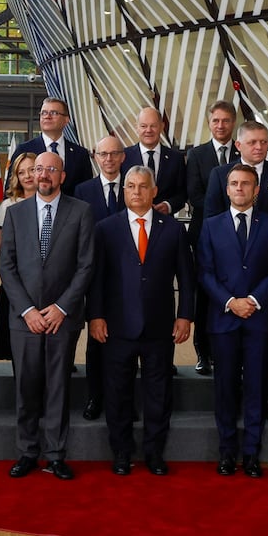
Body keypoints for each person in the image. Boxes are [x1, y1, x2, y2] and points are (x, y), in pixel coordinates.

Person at [87, 166, 194, 476]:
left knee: (158, 394)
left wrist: (185, 315)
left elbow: (187, 279)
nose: (136, 191)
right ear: (124, 192)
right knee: (118, 392)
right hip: (117, 327)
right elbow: (97, 280)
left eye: (143, 186)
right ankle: (121, 452)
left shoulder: (173, 229)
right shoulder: (106, 228)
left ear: (154, 191)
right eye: (131, 186)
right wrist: (95, 316)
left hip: (159, 327)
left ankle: (154, 453)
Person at [0, 149, 96, 480]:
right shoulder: (15, 213)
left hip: (61, 319)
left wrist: (61, 307)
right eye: (38, 169)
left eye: (51, 170)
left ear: (62, 176)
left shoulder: (81, 212)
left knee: (58, 388)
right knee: (26, 388)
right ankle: (27, 451)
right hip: (24, 318)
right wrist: (27, 310)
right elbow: (7, 267)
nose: (43, 175)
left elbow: (85, 266)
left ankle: (55, 454)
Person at [205, 120, 268, 424]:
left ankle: (267, 400)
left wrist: (260, 293)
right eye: (253, 142)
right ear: (239, 145)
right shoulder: (221, 175)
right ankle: (229, 409)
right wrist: (230, 297)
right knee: (228, 361)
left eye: (264, 142)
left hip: (266, 283)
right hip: (228, 287)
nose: (260, 147)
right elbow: (212, 222)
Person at [198, 164, 268, 478]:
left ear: (256, 189)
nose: (239, 188)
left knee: (255, 388)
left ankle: (251, 454)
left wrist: (252, 301)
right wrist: (230, 302)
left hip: (259, 319)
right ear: (226, 188)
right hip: (224, 320)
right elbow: (205, 273)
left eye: (246, 184)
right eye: (234, 183)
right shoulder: (211, 225)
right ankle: (227, 453)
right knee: (224, 388)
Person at [74, 134, 127, 420]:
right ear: (96, 157)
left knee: (125, 341)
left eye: (114, 154)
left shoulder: (132, 188)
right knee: (96, 341)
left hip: (128, 276)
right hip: (94, 276)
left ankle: (122, 400)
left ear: (123, 157)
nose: (108, 159)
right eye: (103, 154)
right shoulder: (83, 191)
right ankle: (95, 397)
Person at [184, 100, 238, 376]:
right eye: (216, 120)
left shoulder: (241, 155)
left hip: (239, 238)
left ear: (233, 123)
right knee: (204, 295)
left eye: (226, 121)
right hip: (204, 235)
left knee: (231, 293)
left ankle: (226, 352)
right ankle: (203, 353)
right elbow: (195, 197)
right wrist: (226, 218)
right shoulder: (197, 154)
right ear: (209, 123)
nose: (220, 125)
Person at [0, 152, 37, 364]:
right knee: (19, 351)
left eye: (32, 169)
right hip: (17, 285)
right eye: (21, 172)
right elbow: (5, 254)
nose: (27, 176)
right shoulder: (8, 206)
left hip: (46, 286)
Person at [13, 96, 94, 193]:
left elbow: (87, 192)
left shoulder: (80, 154)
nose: (47, 116)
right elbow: (12, 189)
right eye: (44, 113)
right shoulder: (24, 150)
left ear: (66, 120)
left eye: (54, 113)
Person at [124, 106, 186, 217]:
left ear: (162, 127)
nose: (148, 130)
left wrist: (168, 205)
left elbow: (183, 193)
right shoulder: (124, 157)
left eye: (153, 126)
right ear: (137, 128)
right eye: (143, 126)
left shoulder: (176, 158)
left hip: (164, 224)